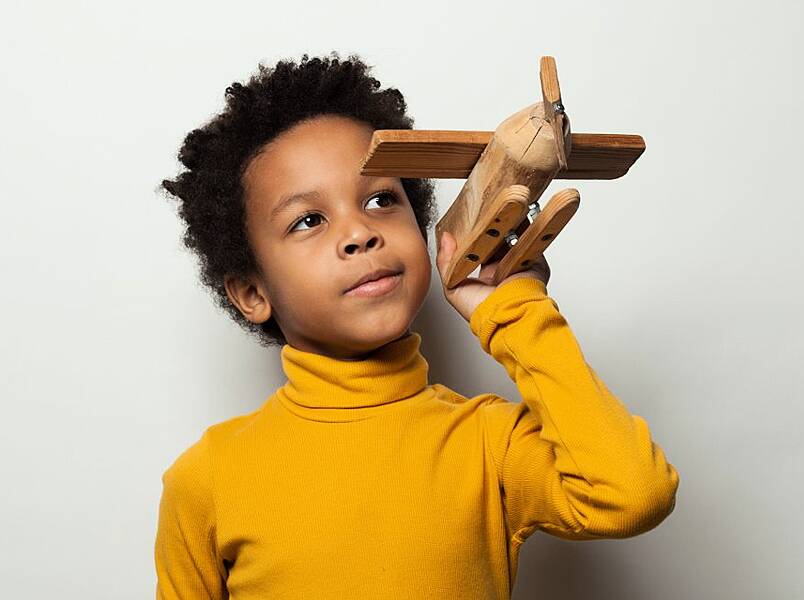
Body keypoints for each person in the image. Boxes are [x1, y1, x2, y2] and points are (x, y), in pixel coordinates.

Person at [154, 52, 679, 599]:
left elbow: (633, 494)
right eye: (309, 220)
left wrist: (516, 311)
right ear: (252, 292)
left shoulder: (488, 444)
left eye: (382, 199)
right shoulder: (208, 478)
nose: (359, 232)